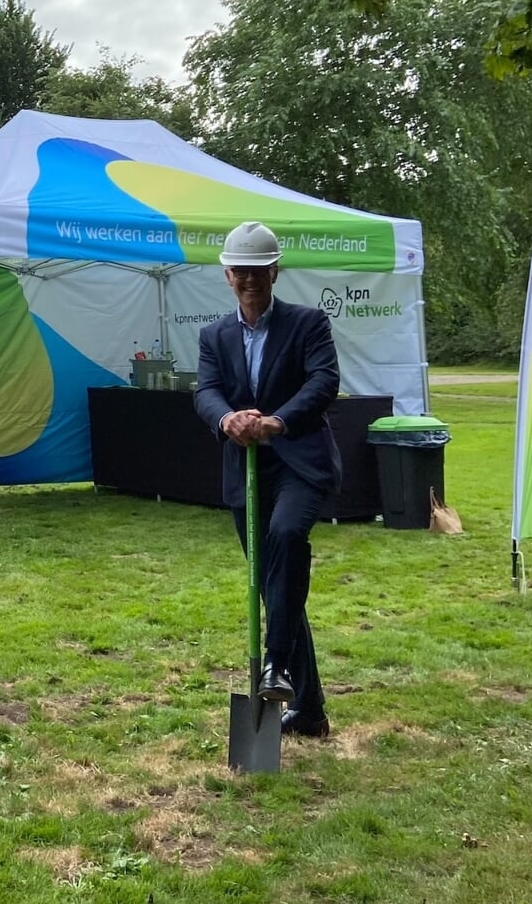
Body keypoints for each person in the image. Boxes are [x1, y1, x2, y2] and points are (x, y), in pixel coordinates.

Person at [193, 221, 341, 739]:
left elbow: (325, 381)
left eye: (259, 270)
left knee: (284, 538)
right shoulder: (215, 335)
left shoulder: (308, 324)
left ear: (274, 270)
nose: (250, 279)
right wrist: (226, 419)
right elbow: (206, 390)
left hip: (300, 462)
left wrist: (277, 420)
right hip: (247, 471)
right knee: (273, 586)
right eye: (241, 272)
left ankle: (274, 665)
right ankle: (311, 710)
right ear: (228, 276)